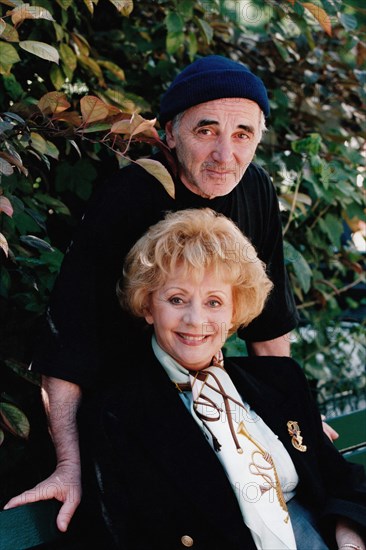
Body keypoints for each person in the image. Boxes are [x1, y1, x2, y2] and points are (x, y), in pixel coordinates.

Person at [3, 55, 336, 530]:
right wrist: (70, 466)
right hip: (116, 419)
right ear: (170, 133)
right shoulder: (130, 194)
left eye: (242, 134)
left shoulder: (255, 188)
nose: (225, 154)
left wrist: (295, 418)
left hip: (202, 402)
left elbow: (269, 324)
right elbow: (67, 342)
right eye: (206, 130)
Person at [81, 208, 365, 550]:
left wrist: (349, 535)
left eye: (214, 302)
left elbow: (341, 480)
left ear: (234, 311)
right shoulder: (116, 412)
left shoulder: (280, 380)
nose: (195, 319)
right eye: (176, 299)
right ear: (147, 304)